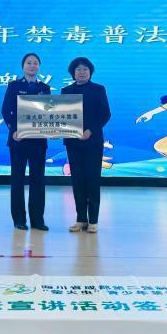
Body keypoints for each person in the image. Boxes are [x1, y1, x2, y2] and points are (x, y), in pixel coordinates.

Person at [1, 53, 51, 231]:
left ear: (39, 66)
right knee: (17, 180)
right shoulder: (14, 86)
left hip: (38, 141)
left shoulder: (45, 88)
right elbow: (6, 110)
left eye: (35, 63)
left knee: (38, 180)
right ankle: (19, 219)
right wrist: (13, 130)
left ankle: (38, 220)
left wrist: (54, 129)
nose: (32, 66)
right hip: (18, 140)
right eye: (29, 63)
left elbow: (49, 113)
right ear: (23, 66)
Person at [61, 57, 111, 233]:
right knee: (77, 180)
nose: (81, 72)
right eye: (78, 69)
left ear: (90, 72)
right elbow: (61, 115)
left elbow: (105, 114)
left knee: (92, 179)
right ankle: (81, 219)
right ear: (73, 72)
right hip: (73, 142)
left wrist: (90, 130)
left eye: (85, 69)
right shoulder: (66, 91)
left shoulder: (98, 89)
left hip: (93, 141)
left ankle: (93, 221)